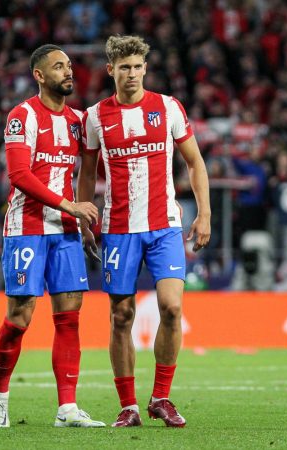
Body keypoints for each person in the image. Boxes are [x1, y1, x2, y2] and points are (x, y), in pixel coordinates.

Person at [77, 35, 211, 428]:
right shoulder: (95, 117)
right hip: (118, 230)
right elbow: (87, 174)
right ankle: (128, 405)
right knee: (122, 315)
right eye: (124, 67)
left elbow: (195, 162)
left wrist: (204, 214)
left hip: (165, 227)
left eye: (137, 66)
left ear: (145, 69)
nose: (131, 74)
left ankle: (161, 398)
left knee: (172, 307)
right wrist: (86, 219)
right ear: (111, 71)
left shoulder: (168, 108)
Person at [0, 44, 105, 428]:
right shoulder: (22, 117)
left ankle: (67, 408)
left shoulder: (78, 120)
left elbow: (84, 175)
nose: (68, 72)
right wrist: (71, 207)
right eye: (58, 67)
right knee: (20, 316)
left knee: (69, 318)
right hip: (27, 228)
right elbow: (20, 176)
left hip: (66, 232)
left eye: (69, 66)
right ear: (39, 75)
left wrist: (81, 220)